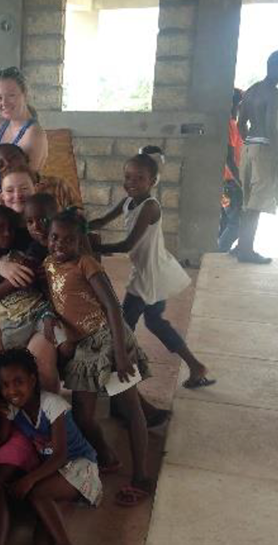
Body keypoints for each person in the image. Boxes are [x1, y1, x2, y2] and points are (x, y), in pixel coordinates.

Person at [44, 210, 154, 507]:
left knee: (130, 406)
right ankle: (107, 456)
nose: (60, 244)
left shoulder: (86, 263)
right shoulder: (48, 264)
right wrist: (50, 318)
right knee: (83, 415)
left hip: (108, 340)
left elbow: (113, 307)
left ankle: (141, 476)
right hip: (83, 347)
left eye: (68, 239)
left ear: (80, 241)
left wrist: (119, 353)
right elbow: (56, 299)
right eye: (54, 237)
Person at [91, 149, 214, 389]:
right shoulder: (128, 202)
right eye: (128, 177)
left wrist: (95, 247)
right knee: (154, 322)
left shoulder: (149, 207)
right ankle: (195, 366)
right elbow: (101, 221)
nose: (132, 182)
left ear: (152, 181)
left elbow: (128, 244)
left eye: (140, 178)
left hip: (150, 274)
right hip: (148, 270)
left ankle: (121, 380)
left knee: (122, 326)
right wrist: (80, 226)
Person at [0, 349, 100, 545]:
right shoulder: (14, 410)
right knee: (41, 511)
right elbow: (0, 443)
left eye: (18, 382)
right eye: (5, 385)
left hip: (80, 466)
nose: (12, 390)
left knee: (37, 493)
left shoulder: (53, 405)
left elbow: (61, 455)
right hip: (54, 470)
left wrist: (29, 479)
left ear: (33, 380)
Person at [0, 206, 58, 392]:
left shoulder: (19, 255)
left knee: (44, 364)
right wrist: (14, 280)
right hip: (10, 321)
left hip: (37, 310)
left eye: (11, 229)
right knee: (8, 366)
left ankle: (50, 405)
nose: (7, 233)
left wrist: (38, 276)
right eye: (0, 229)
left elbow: (38, 286)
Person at [236, 50, 278, 264]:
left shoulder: (252, 90)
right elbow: (271, 128)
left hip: (248, 148)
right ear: (276, 67)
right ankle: (246, 250)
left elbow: (241, 124)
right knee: (256, 203)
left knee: (248, 200)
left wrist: (250, 144)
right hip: (264, 150)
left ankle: (241, 246)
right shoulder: (275, 94)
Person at [0, 68, 49, 209]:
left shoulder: (33, 135)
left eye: (11, 95)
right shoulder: (1, 124)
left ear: (24, 94)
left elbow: (19, 192)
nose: (4, 103)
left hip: (7, 212)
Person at [218, 89, 245, 252]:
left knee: (226, 222)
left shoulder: (232, 124)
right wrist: (240, 181)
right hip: (231, 184)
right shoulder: (228, 124)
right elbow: (228, 157)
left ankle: (217, 255)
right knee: (236, 225)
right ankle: (218, 255)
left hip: (227, 183)